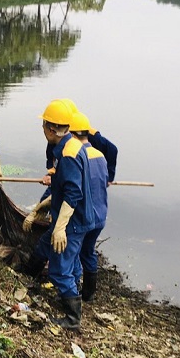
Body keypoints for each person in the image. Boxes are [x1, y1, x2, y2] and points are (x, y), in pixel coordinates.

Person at [23, 99, 96, 330]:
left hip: (73, 222)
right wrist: (38, 210)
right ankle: (28, 280)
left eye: (44, 124)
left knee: (59, 269)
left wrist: (61, 227)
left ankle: (73, 318)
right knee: (46, 248)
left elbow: (73, 194)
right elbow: (60, 189)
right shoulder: (70, 146)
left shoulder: (69, 154)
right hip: (76, 218)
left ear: (53, 129)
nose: (42, 128)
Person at [69, 112, 109, 303]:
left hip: (84, 217)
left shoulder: (76, 155)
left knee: (74, 252)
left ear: (72, 134)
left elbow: (72, 189)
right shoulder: (100, 155)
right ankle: (89, 295)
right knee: (89, 251)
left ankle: (73, 292)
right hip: (100, 216)